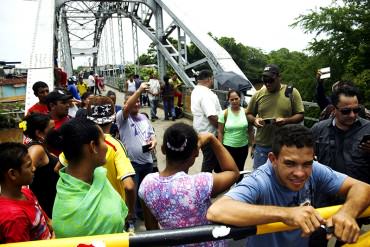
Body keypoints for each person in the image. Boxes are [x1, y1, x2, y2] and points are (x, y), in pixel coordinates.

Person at [207, 124, 370, 247]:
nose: (300, 173)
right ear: (273, 159)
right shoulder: (260, 180)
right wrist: (286, 214)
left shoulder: (314, 169)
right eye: (290, 163)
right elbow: (217, 210)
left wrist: (347, 213)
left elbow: (362, 187)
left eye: (306, 164)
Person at [139, 123, 239, 246]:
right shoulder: (200, 184)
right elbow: (233, 172)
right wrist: (213, 139)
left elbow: (151, 229)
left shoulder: (147, 185)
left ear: (163, 149)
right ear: (196, 153)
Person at [46, 118, 128, 238]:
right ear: (93, 146)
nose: (106, 147)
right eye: (103, 141)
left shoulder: (98, 176)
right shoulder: (70, 207)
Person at [86, 96, 136, 228]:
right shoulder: (115, 145)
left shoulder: (79, 141)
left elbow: (59, 168)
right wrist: (130, 211)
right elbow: (129, 186)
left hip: (87, 210)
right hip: (113, 212)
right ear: (113, 118)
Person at [246, 64, 304, 169]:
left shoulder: (291, 92)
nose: (267, 83)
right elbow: (248, 114)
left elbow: (300, 115)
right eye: (265, 80)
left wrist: (286, 120)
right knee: (260, 178)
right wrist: (255, 120)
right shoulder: (258, 94)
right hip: (262, 145)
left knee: (283, 177)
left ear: (279, 77)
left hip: (285, 144)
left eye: (271, 80)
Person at [116, 82, 156, 221]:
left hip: (147, 160)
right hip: (133, 163)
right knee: (132, 191)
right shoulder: (122, 118)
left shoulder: (144, 117)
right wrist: (138, 90)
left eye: (138, 101)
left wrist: (154, 140)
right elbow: (127, 107)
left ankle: (143, 214)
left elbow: (151, 133)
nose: (137, 104)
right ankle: (131, 216)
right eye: (134, 101)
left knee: (145, 191)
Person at [0, 142, 52, 243]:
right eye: (28, 166)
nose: (33, 168)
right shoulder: (14, 217)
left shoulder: (26, 192)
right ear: (13, 174)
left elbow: (47, 222)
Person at [20, 113, 59, 218]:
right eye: (52, 129)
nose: (55, 132)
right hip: (47, 207)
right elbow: (23, 177)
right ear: (39, 133)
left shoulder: (42, 146)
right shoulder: (36, 149)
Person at [191, 69, 222, 172]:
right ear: (209, 79)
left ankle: (212, 181)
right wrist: (221, 128)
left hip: (200, 130)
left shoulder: (196, 91)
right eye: (212, 79)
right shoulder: (205, 94)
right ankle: (204, 185)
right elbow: (212, 116)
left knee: (212, 159)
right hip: (209, 133)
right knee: (209, 161)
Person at [218, 90, 254, 177]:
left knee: (240, 170)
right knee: (228, 170)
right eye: (232, 99)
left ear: (240, 98)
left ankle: (238, 187)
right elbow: (220, 132)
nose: (234, 101)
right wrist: (220, 148)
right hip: (228, 147)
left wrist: (253, 145)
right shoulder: (224, 113)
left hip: (243, 147)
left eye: (236, 99)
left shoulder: (246, 112)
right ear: (228, 100)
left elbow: (250, 130)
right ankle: (227, 188)